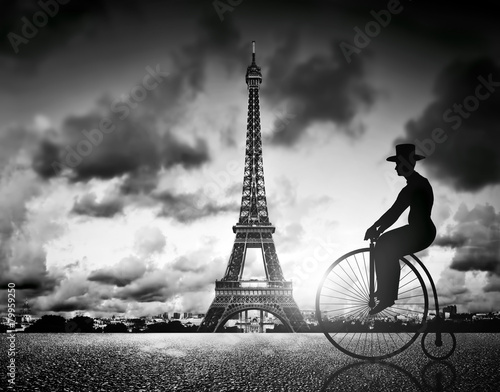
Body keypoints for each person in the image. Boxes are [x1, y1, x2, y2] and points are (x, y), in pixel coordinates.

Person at [364, 144, 436, 315]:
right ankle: (386, 292)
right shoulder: (416, 184)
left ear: (406, 164)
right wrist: (376, 228)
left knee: (385, 245)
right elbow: (394, 213)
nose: (396, 167)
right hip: (419, 231)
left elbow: (394, 213)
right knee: (385, 245)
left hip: (420, 233)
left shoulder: (415, 186)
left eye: (398, 163)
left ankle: (386, 294)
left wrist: (375, 228)